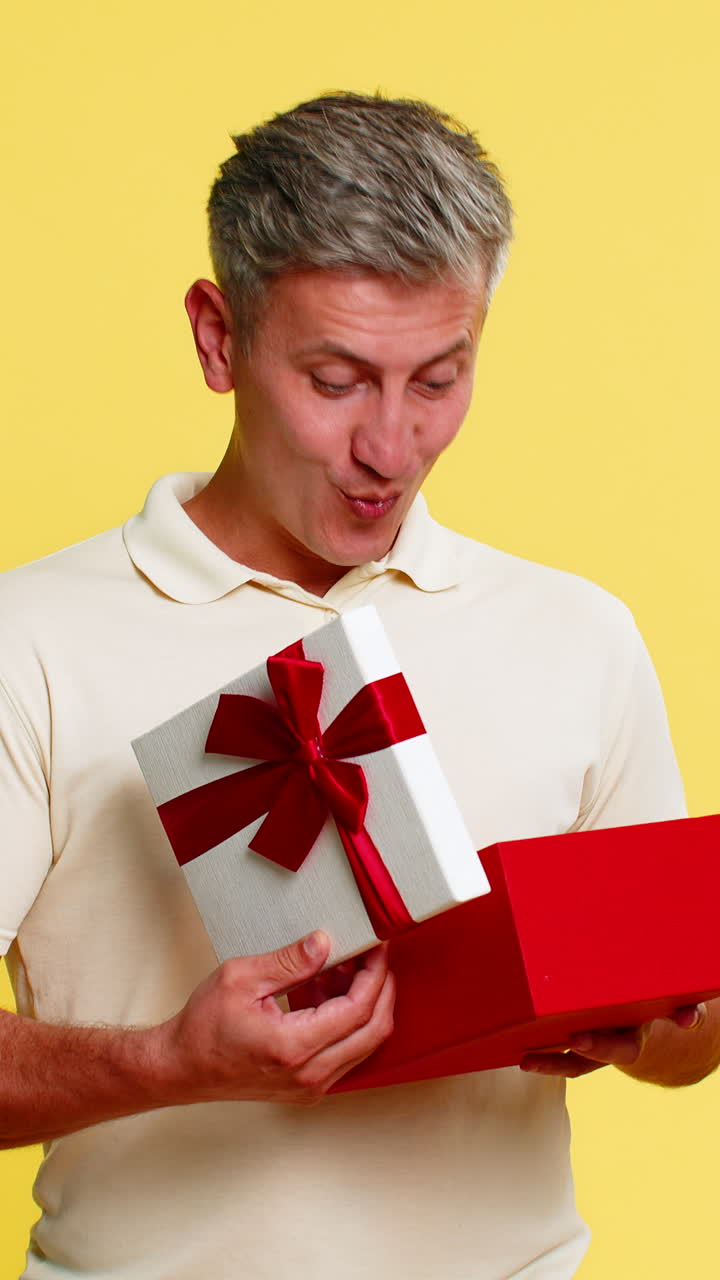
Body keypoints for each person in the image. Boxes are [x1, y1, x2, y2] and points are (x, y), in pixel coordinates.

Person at [0, 92, 718, 1280]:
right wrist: (172, 1059)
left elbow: (691, 1045)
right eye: (335, 380)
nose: (391, 447)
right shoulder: (28, 636)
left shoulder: (578, 632)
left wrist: (647, 1025)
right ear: (218, 337)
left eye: (439, 378)